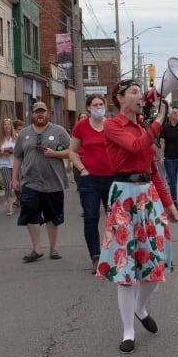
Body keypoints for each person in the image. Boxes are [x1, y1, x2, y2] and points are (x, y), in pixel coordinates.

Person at [95, 79, 178, 354]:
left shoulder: (144, 125)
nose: (138, 95)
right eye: (133, 91)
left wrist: (168, 203)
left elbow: (153, 169)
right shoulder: (112, 125)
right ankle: (128, 330)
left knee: (155, 264)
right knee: (125, 269)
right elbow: (135, 147)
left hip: (148, 196)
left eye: (139, 92)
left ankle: (140, 309)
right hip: (124, 196)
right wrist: (160, 119)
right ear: (120, 98)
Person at [11, 100, 70, 263]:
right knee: (30, 211)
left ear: (48, 113)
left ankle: (53, 248)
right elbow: (17, 156)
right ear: (32, 114)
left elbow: (72, 151)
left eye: (43, 111)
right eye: (37, 111)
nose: (40, 114)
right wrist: (14, 178)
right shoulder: (24, 134)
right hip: (30, 181)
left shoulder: (59, 131)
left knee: (53, 216)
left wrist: (54, 154)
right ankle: (36, 249)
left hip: (54, 181)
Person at [69, 94, 114, 273]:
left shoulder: (111, 125)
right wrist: (82, 170)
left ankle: (114, 254)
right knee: (90, 217)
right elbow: (72, 151)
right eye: (95, 105)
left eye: (101, 104)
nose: (98, 107)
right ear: (88, 107)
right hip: (90, 179)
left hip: (112, 179)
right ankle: (96, 256)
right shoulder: (81, 126)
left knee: (115, 219)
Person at [0, 118, 19, 216]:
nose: (7, 126)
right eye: (5, 125)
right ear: (3, 127)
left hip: (15, 164)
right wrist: (3, 153)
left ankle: (18, 199)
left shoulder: (16, 137)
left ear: (11, 126)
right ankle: (9, 208)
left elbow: (22, 149)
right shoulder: (0, 139)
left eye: (9, 124)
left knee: (18, 185)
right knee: (8, 184)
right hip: (4, 164)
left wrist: (14, 151)